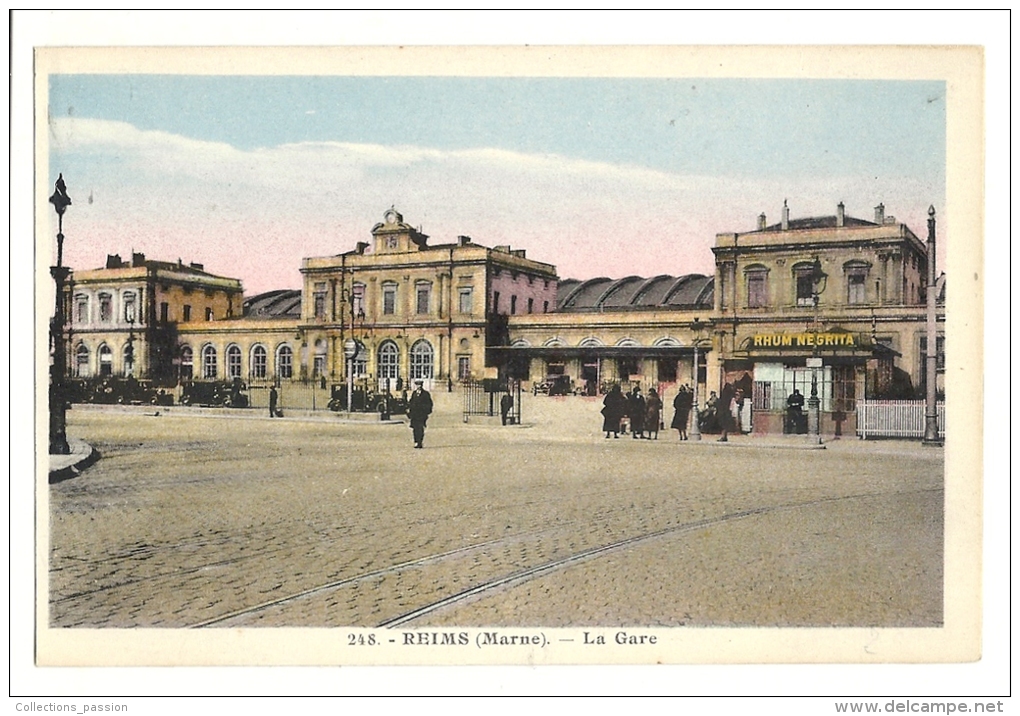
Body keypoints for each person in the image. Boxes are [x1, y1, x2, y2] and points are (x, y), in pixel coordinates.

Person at [407, 379, 433, 448]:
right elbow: (411, 402)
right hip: (414, 414)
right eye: (417, 385)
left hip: (422, 414)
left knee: (420, 428)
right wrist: (409, 409)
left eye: (420, 385)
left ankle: (420, 441)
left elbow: (429, 403)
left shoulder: (426, 394)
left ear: (422, 385)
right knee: (415, 428)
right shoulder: (414, 393)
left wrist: (426, 411)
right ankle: (416, 441)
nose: (419, 386)